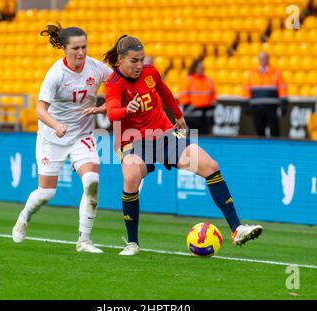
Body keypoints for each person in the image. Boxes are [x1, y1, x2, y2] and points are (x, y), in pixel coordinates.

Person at [104, 35, 263, 256]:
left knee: (211, 166)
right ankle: (132, 242)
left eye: (141, 59)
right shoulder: (114, 84)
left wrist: (178, 116)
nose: (139, 65)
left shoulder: (151, 72)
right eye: (134, 61)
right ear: (120, 59)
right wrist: (126, 110)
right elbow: (112, 114)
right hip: (132, 140)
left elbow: (165, 93)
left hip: (164, 134)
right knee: (131, 178)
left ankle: (237, 229)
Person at [12, 23, 112, 253]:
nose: (81, 52)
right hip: (52, 138)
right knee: (46, 193)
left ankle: (84, 240)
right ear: (65, 50)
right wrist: (56, 125)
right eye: (76, 48)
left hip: (82, 136)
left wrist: (109, 105)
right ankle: (24, 217)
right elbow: (39, 109)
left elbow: (118, 84)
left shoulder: (96, 68)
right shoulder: (56, 74)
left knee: (92, 182)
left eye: (84, 47)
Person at [243, 51, 288, 137]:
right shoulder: (252, 73)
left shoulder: (275, 72)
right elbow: (246, 89)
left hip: (271, 107)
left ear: (268, 59)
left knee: (274, 130)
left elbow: (282, 88)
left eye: (264, 58)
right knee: (259, 131)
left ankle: (275, 148)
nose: (262, 60)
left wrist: (283, 103)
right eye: (260, 58)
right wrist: (245, 104)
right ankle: (261, 149)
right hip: (256, 107)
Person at [178, 59, 216, 135]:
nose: (202, 69)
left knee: (205, 139)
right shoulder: (188, 79)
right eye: (200, 67)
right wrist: (191, 106)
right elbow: (183, 97)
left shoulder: (207, 79)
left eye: (203, 67)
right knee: (192, 138)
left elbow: (213, 96)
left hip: (205, 116)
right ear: (195, 68)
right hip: (192, 116)